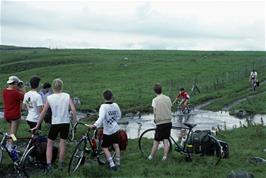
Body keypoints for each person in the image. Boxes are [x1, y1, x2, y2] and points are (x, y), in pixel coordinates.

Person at [31, 78, 77, 172]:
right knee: (62, 143)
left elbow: (43, 113)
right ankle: (60, 164)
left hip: (55, 123)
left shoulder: (50, 97)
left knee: (49, 144)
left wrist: (37, 125)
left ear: (53, 87)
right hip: (65, 123)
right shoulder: (67, 96)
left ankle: (49, 165)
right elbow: (73, 110)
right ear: (61, 86)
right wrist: (74, 122)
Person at [88, 89, 121, 171]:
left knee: (104, 147)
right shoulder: (115, 105)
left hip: (108, 131)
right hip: (115, 129)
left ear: (103, 97)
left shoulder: (103, 106)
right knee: (116, 145)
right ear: (112, 96)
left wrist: (95, 125)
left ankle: (112, 164)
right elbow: (119, 115)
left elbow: (101, 118)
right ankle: (118, 162)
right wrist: (115, 122)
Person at [148, 83, 172, 161]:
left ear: (154, 92)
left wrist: (155, 119)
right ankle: (164, 157)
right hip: (168, 121)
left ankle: (150, 157)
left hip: (160, 123)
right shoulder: (168, 98)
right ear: (161, 90)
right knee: (166, 140)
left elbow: (155, 112)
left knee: (156, 141)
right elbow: (169, 107)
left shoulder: (154, 100)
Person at [2, 76, 25, 150]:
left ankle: (8, 143)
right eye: (17, 84)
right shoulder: (16, 93)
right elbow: (25, 97)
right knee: (13, 133)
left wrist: (17, 88)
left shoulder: (4, 91)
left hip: (7, 115)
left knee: (10, 130)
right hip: (15, 116)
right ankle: (10, 146)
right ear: (14, 84)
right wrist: (22, 89)